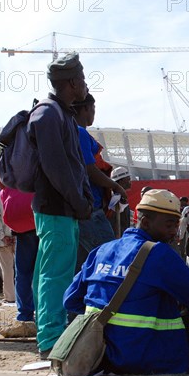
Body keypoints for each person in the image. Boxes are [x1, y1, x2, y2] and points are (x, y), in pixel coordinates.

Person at [64, 189, 189, 374]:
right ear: (146, 222)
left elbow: (70, 300)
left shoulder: (101, 250)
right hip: (150, 357)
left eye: (176, 224)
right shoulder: (160, 254)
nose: (174, 232)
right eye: (169, 225)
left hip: (103, 356)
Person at [27, 51, 94, 358]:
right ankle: (51, 339)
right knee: (55, 275)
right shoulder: (48, 114)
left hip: (62, 208)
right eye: (80, 78)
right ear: (70, 83)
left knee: (53, 272)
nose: (84, 83)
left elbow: (73, 164)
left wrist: (81, 197)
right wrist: (77, 199)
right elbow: (56, 168)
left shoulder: (61, 114)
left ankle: (50, 331)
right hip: (56, 208)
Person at [74, 93, 126, 271]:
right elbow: (90, 169)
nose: (94, 113)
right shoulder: (79, 132)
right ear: (86, 108)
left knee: (82, 266)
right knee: (111, 259)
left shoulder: (72, 132)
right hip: (91, 210)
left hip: (82, 210)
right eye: (93, 109)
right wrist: (115, 185)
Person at [0, 186, 38, 337]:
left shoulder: (11, 168)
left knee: (23, 274)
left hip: (22, 226)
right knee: (45, 272)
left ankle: (25, 316)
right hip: (42, 218)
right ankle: (44, 316)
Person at [107, 166, 132, 238]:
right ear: (121, 181)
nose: (130, 182)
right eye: (128, 179)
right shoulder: (115, 198)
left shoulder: (121, 197)